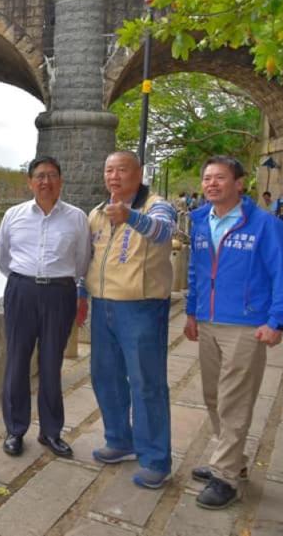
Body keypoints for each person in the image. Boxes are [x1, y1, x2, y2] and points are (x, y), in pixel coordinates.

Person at [185, 156, 283, 509]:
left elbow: (282, 274)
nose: (211, 184)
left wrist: (277, 320)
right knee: (213, 396)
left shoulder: (265, 225)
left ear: (239, 183)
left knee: (235, 399)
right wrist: (191, 311)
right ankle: (230, 459)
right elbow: (195, 272)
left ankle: (226, 477)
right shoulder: (201, 221)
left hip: (247, 325)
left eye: (219, 178)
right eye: (207, 178)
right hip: (208, 321)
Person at [82, 151, 177, 489]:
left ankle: (155, 458)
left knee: (146, 383)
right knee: (105, 376)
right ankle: (120, 439)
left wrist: (130, 216)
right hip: (103, 305)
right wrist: (82, 295)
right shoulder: (97, 213)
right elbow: (88, 259)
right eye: (109, 170)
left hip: (141, 307)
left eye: (122, 169)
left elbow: (165, 232)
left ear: (139, 173)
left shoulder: (156, 205)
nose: (115, 176)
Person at [0, 155, 91, 459]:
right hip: (21, 290)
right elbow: (3, 257)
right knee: (17, 361)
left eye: (51, 175)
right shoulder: (14, 215)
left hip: (59, 293)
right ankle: (15, 429)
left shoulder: (77, 217)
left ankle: (51, 432)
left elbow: (82, 260)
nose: (45, 181)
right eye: (39, 176)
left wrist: (69, 287)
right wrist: (24, 281)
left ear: (60, 181)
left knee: (51, 364)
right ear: (30, 182)